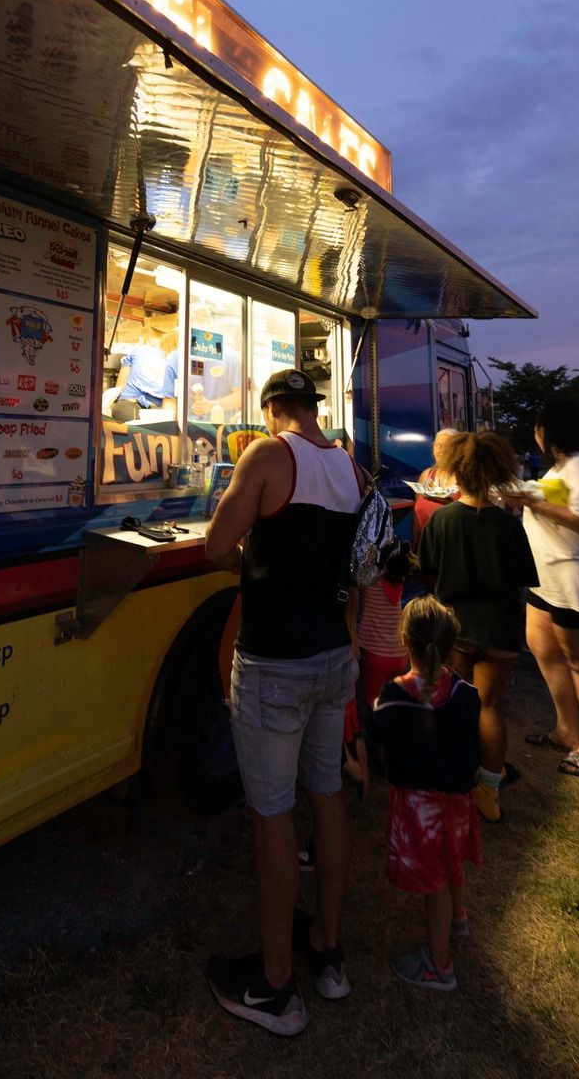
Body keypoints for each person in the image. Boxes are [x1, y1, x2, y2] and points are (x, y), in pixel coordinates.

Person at [204, 368, 363, 1036]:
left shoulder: (266, 454)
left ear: (272, 410)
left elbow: (216, 546)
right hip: (333, 656)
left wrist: (255, 560)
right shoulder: (346, 464)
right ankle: (325, 947)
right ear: (313, 408)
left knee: (271, 813)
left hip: (273, 661)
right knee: (324, 792)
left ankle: (273, 987)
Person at [416, 431, 536, 823]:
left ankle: (453, 780)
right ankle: (488, 791)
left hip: (456, 627)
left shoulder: (442, 520)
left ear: (456, 473)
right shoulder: (508, 525)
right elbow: (522, 578)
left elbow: (429, 575)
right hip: (501, 627)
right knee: (491, 707)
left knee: (455, 706)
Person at [369, 595, 482, 993]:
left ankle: (439, 966)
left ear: (405, 640)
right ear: (451, 645)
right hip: (458, 804)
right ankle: (459, 919)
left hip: (420, 811)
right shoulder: (467, 695)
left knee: (433, 884)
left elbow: (377, 738)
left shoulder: (393, 695)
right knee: (452, 864)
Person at [510, 399, 579, 777]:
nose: (536, 435)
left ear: (552, 431)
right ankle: (566, 729)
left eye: (539, 428)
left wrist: (531, 503)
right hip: (547, 578)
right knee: (543, 649)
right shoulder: (559, 468)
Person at [108, 328, 177, 422]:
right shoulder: (176, 360)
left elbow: (119, 388)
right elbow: (170, 400)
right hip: (154, 412)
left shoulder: (137, 350)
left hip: (126, 407)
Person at [411, 428, 459, 552]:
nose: (440, 450)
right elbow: (416, 513)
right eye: (438, 445)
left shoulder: (463, 478)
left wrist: (449, 504)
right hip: (427, 546)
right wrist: (415, 541)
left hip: (454, 546)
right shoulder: (426, 476)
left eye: (446, 446)